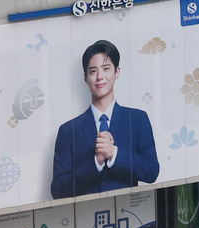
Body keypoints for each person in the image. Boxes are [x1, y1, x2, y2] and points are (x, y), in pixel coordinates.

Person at [51, 40, 160, 198]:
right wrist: (96, 162)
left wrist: (114, 153)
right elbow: (58, 191)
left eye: (106, 68)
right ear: (85, 78)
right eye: (93, 71)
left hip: (129, 213)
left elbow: (151, 171)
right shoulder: (68, 131)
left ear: (117, 72)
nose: (100, 77)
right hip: (85, 217)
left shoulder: (137, 119)